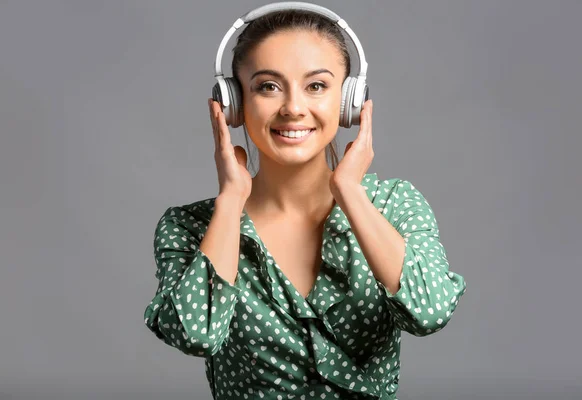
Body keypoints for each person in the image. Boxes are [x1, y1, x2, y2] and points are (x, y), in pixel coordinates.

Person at [143, 4, 467, 399]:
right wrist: (230, 201)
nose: (294, 108)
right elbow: (196, 335)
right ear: (233, 104)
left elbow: (429, 311)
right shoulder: (188, 227)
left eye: (316, 86)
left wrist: (349, 191)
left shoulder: (394, 206)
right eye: (268, 86)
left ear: (349, 101)